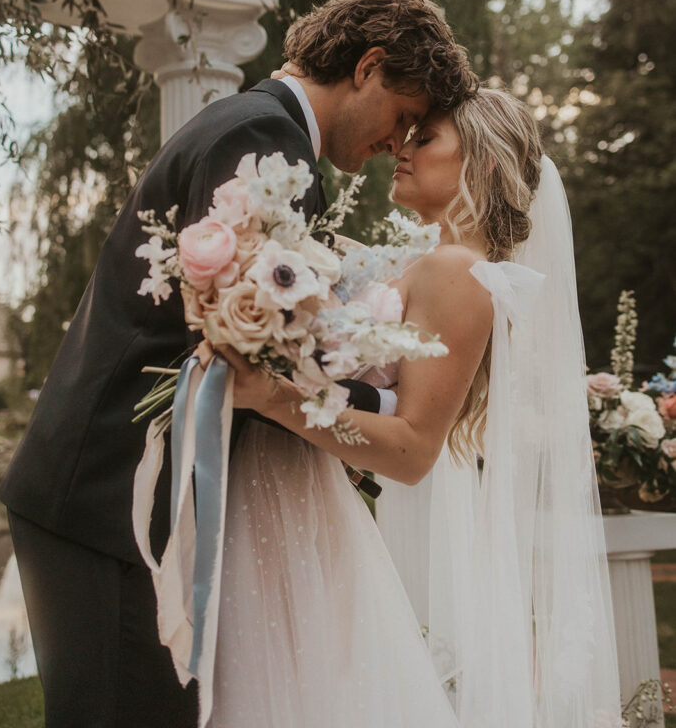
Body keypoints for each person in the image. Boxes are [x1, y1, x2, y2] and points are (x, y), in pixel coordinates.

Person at [0, 0, 477, 728]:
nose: (395, 142)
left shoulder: (255, 129)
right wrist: (386, 408)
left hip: (107, 500)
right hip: (110, 499)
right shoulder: (262, 141)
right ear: (367, 66)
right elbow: (247, 348)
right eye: (403, 114)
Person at [214, 87, 622, 728]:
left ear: (482, 168)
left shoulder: (460, 270)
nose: (401, 147)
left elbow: (412, 450)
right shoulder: (429, 264)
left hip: (295, 493)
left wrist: (272, 394)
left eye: (424, 137)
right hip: (297, 491)